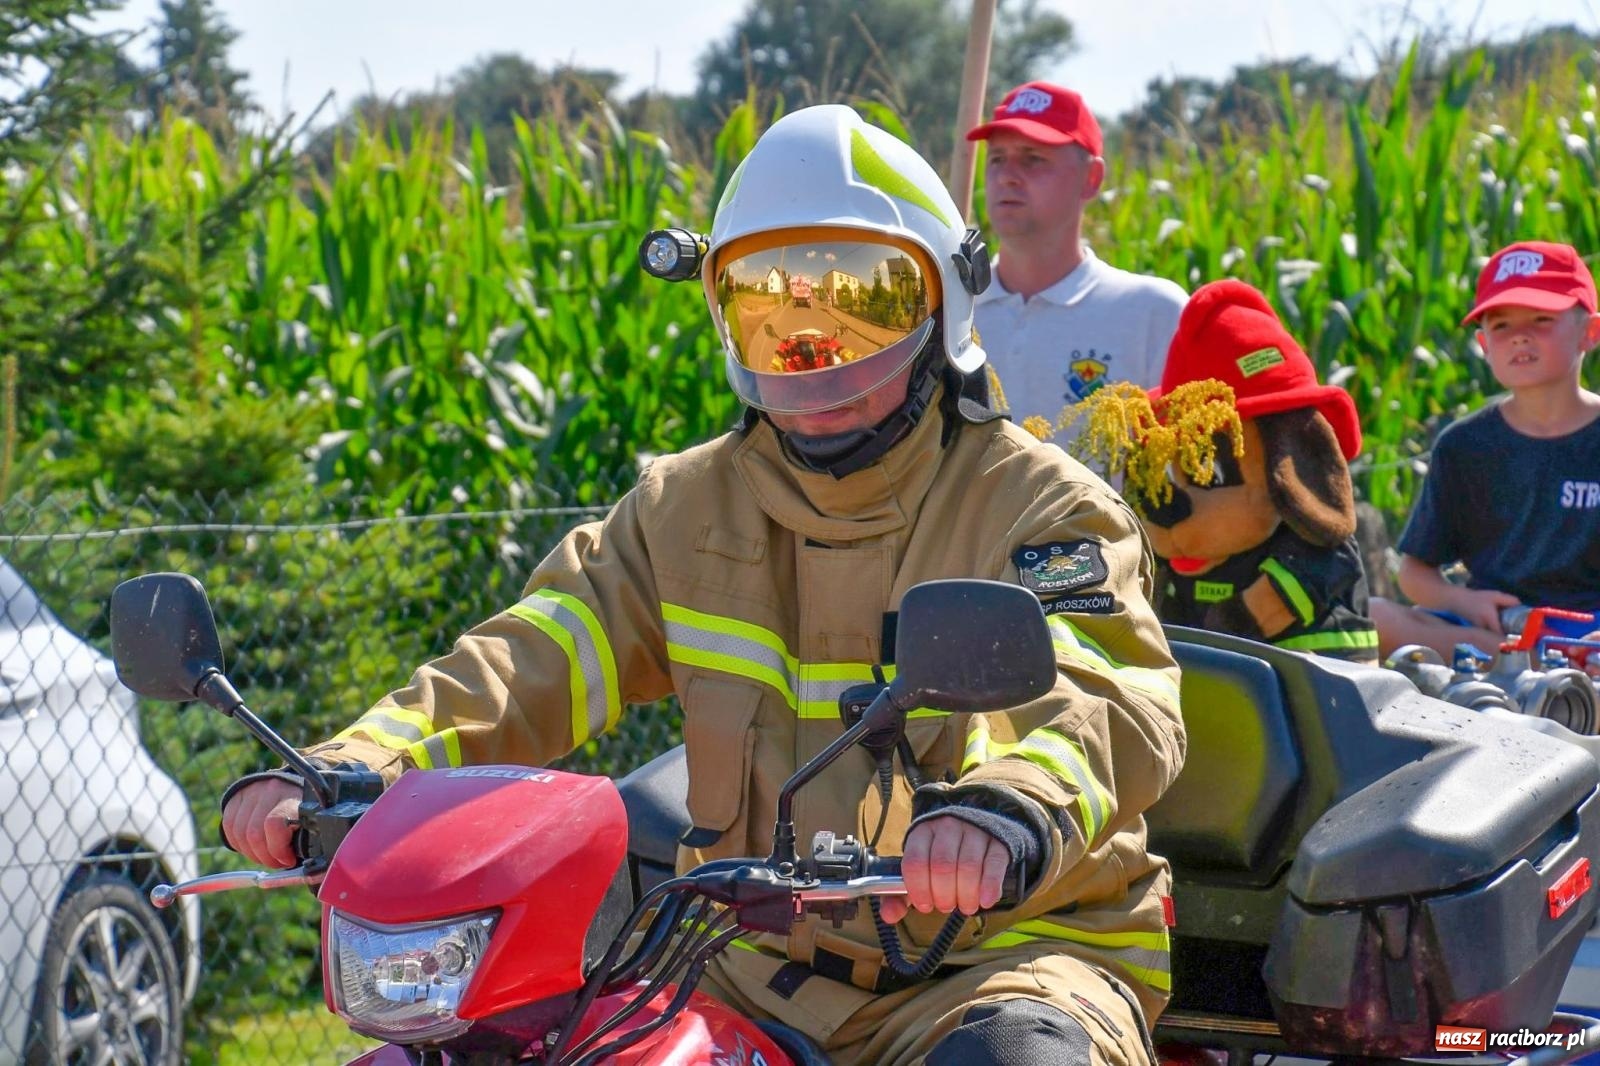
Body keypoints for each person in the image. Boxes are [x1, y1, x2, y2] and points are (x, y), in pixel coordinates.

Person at [221, 105, 1185, 1066]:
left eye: (861, 308)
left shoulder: (1044, 509)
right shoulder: (681, 508)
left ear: (941, 304)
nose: (818, 356)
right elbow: (530, 657)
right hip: (744, 961)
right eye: (773, 315)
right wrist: (356, 765)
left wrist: (1005, 809)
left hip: (1005, 963)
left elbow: (1100, 690)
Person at [1371, 240, 1600, 661]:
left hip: (1590, 630)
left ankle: (1544, 664)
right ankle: (1526, 661)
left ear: (1590, 332)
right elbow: (1415, 573)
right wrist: (1465, 603)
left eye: (1541, 319)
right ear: (1483, 345)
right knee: (1373, 618)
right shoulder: (1464, 445)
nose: (1520, 338)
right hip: (1491, 629)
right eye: (1501, 326)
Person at [966, 82, 1187, 447]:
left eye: (1033, 158)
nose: (1007, 176)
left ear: (1091, 178)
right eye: (997, 159)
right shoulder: (948, 310)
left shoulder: (1151, 313)